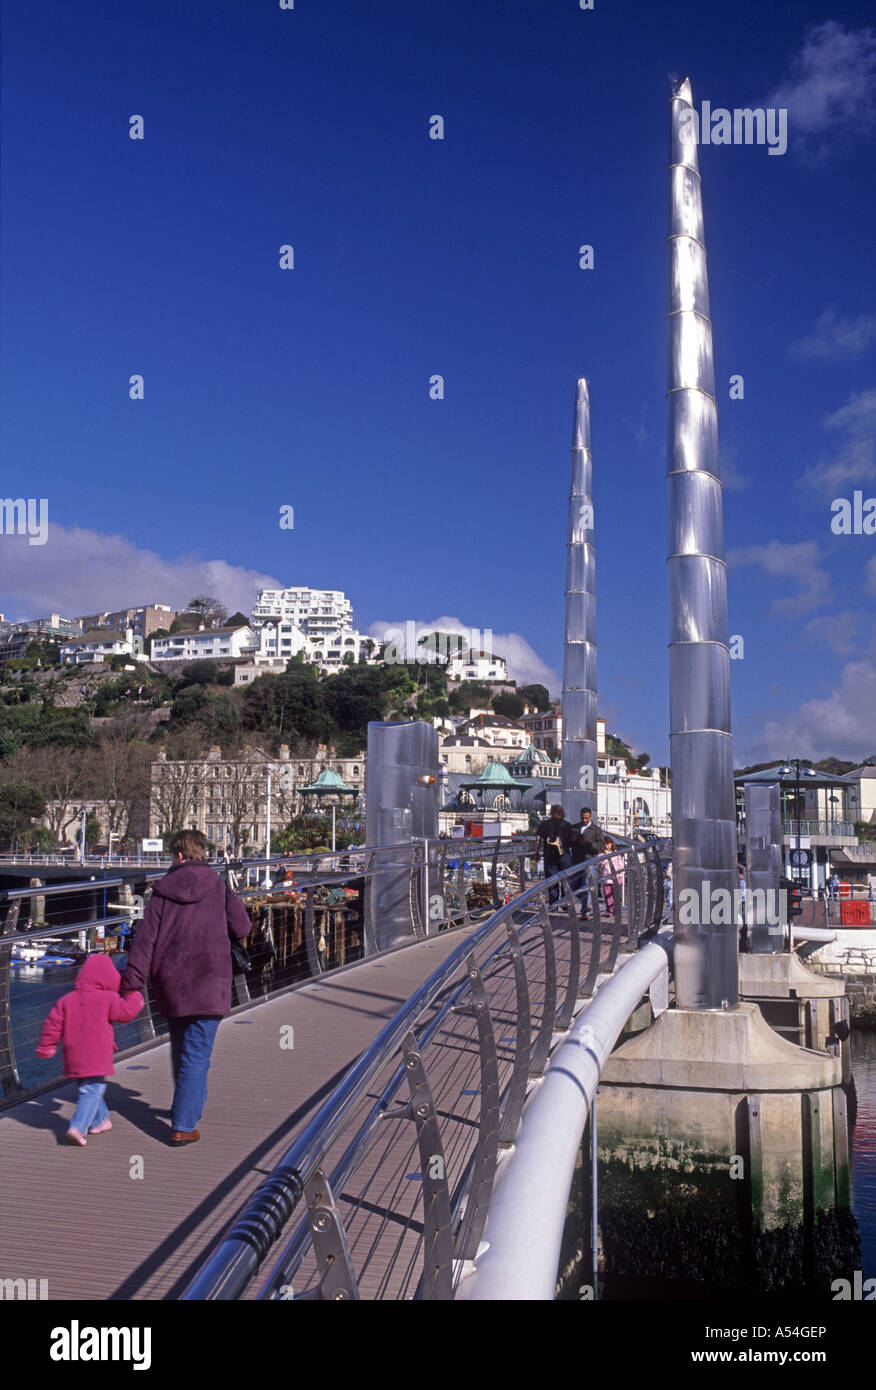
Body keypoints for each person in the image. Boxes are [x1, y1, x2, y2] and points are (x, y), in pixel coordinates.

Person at [120, 828, 251, 1145]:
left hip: (172, 981)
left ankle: (188, 1107)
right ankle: (183, 1123)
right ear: (200, 853)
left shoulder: (162, 892)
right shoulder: (219, 887)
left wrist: (131, 983)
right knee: (197, 1053)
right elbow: (243, 926)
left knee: (182, 1048)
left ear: (177, 855)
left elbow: (145, 942)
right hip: (210, 979)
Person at [35, 955, 144, 1146]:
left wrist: (47, 1046)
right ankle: (78, 1127)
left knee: (87, 1087)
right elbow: (126, 1013)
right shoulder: (108, 998)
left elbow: (52, 1025)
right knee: (94, 1089)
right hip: (97, 1054)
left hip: (73, 1055)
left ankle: (101, 1121)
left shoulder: (66, 1000)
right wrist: (135, 997)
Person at [535, 804, 575, 905]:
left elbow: (538, 840)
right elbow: (572, 841)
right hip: (564, 856)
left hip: (549, 856)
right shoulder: (567, 825)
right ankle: (566, 903)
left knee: (552, 881)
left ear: (551, 813)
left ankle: (554, 904)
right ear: (562, 813)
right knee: (567, 880)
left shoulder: (544, 825)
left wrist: (536, 853)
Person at [571, 807, 606, 920]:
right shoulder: (575, 828)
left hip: (589, 860)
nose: (585, 820)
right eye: (583, 818)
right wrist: (573, 840)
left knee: (587, 884)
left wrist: (588, 843)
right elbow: (568, 842)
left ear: (590, 817)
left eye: (587, 818)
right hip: (576, 860)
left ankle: (585, 910)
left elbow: (601, 846)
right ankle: (585, 903)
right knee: (573, 885)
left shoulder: (596, 830)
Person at [601, 836, 625, 915]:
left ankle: (616, 910)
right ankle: (609, 911)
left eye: (608, 844)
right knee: (607, 895)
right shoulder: (601, 854)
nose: (607, 846)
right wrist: (605, 856)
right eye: (605, 844)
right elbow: (600, 864)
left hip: (616, 877)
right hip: (606, 878)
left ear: (611, 844)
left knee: (617, 895)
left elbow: (620, 865)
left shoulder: (616, 853)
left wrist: (620, 875)